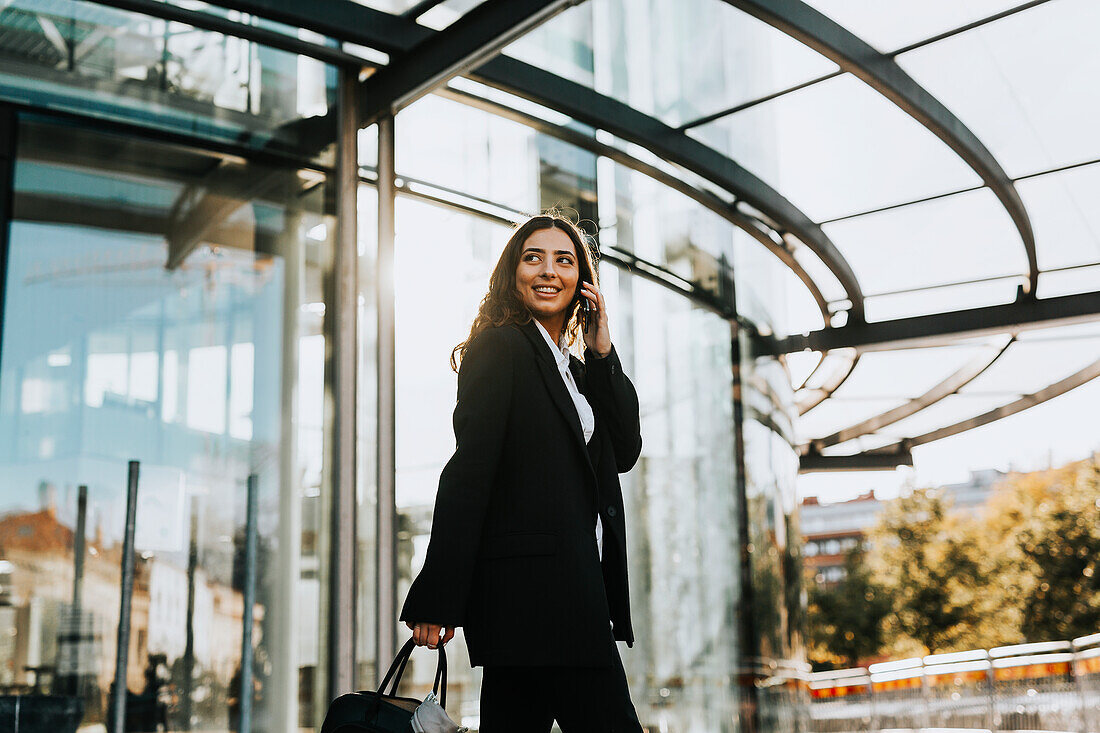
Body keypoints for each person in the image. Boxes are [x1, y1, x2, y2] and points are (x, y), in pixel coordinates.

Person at [400, 212, 644, 731]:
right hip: (542, 601)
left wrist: (602, 350)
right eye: (533, 257)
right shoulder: (501, 345)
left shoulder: (574, 372)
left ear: (583, 282)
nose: (548, 271)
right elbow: (469, 472)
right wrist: (438, 595)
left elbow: (622, 451)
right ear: (512, 273)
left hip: (563, 599)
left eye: (565, 260)